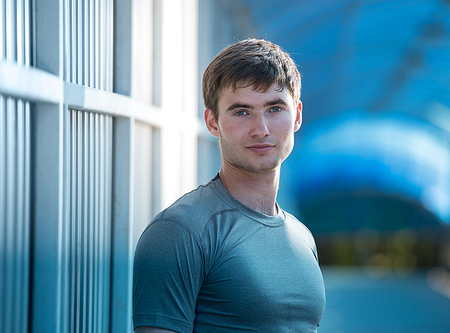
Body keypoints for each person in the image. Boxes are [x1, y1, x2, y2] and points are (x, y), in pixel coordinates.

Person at [133, 38, 326, 332]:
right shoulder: (180, 231)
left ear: (297, 115)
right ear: (212, 122)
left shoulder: (302, 237)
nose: (261, 129)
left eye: (275, 109)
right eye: (241, 112)